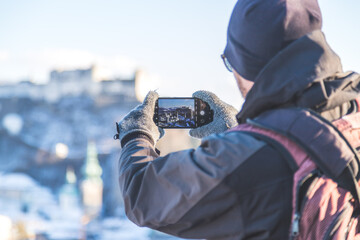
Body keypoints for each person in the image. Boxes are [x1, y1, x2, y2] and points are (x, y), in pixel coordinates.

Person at [115, 0, 360, 239]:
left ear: (246, 64)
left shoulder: (246, 160)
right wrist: (238, 133)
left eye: (230, 61)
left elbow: (143, 195)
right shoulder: (354, 106)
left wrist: (137, 134)